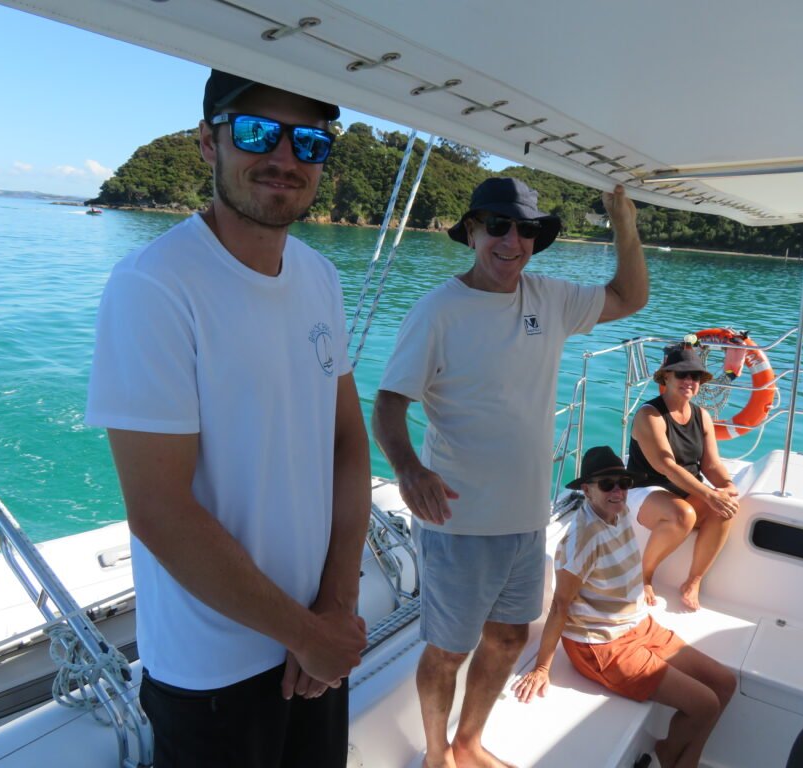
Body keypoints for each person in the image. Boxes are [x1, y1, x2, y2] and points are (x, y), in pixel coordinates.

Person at [85, 69, 370, 768]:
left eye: (308, 140)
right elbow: (159, 510)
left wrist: (332, 608)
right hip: (212, 669)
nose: (284, 156)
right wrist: (303, 631)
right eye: (254, 132)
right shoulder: (155, 285)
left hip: (312, 643)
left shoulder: (319, 277)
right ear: (208, 145)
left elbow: (346, 442)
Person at [372, 177, 649, 768]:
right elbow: (389, 404)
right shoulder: (437, 312)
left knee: (509, 639)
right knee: (448, 650)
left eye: (526, 229)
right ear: (472, 230)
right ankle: (435, 753)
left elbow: (630, 297)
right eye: (498, 225)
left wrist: (624, 223)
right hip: (458, 519)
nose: (512, 240)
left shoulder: (548, 298)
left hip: (526, 518)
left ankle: (470, 742)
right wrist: (408, 468)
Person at [512, 446, 736, 768]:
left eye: (623, 483)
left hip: (638, 625)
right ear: (587, 490)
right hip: (602, 645)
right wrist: (543, 668)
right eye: (606, 484)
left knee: (725, 684)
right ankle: (675, 758)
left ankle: (674, 755)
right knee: (705, 705)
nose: (617, 490)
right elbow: (561, 605)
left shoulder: (619, 513)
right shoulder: (583, 539)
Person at [627, 342, 740, 611]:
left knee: (726, 509)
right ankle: (643, 576)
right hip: (646, 489)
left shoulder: (702, 416)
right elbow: (666, 465)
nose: (689, 380)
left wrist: (726, 486)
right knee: (683, 515)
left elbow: (711, 464)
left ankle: (693, 580)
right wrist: (709, 494)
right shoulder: (650, 414)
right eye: (682, 374)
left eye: (695, 376)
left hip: (685, 490)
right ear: (666, 376)